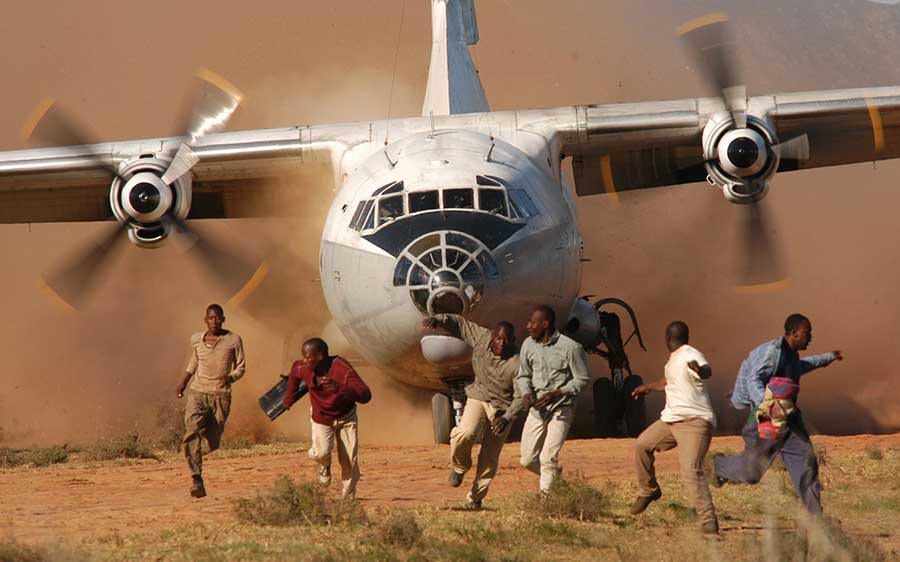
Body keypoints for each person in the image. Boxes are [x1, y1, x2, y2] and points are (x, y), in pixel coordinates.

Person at [714, 314, 843, 514]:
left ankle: (816, 521)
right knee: (751, 473)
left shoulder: (791, 355)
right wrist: (767, 406)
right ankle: (717, 466)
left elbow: (802, 367)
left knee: (806, 464)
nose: (810, 337)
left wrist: (828, 358)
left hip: (789, 421)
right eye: (807, 333)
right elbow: (753, 379)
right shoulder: (772, 352)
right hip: (767, 419)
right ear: (794, 333)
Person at [423, 314, 523, 510]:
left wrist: (506, 418)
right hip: (479, 395)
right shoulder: (482, 337)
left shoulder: (516, 364)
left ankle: (475, 499)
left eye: (507, 340)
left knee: (489, 456)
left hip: (502, 408)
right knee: (464, 433)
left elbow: (521, 397)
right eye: (499, 339)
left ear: (513, 341)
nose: (502, 343)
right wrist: (439, 320)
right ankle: (460, 468)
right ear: (492, 336)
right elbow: (460, 324)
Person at [629, 321, 719, 534]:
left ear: (667, 339)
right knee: (642, 445)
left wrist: (701, 370)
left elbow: (706, 370)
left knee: (691, 469)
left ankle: (708, 521)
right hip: (671, 420)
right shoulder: (674, 361)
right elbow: (668, 381)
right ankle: (649, 490)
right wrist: (647, 387)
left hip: (694, 422)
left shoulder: (690, 355)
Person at [283, 338, 371, 499]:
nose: (304, 360)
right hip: (321, 417)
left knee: (349, 459)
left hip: (346, 417)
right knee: (321, 453)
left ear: (320, 356)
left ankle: (348, 496)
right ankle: (325, 465)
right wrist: (288, 399)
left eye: (307, 356)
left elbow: (365, 395)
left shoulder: (342, 369)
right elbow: (294, 373)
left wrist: (339, 388)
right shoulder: (303, 367)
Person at [517, 305, 590, 494]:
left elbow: (582, 379)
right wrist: (526, 394)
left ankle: (547, 502)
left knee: (547, 458)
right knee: (526, 460)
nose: (528, 326)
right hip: (537, 408)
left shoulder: (571, 348)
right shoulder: (528, 345)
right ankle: (555, 480)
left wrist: (557, 393)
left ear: (546, 324)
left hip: (562, 408)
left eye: (533, 322)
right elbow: (523, 375)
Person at [176, 304, 246, 498]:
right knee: (192, 431)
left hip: (220, 395)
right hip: (198, 392)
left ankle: (195, 452)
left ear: (223, 319)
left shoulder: (234, 340)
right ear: (205, 320)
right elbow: (194, 361)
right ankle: (196, 478)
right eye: (211, 318)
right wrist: (183, 382)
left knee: (213, 440)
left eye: (217, 318)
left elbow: (240, 367)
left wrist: (230, 377)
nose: (214, 321)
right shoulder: (196, 339)